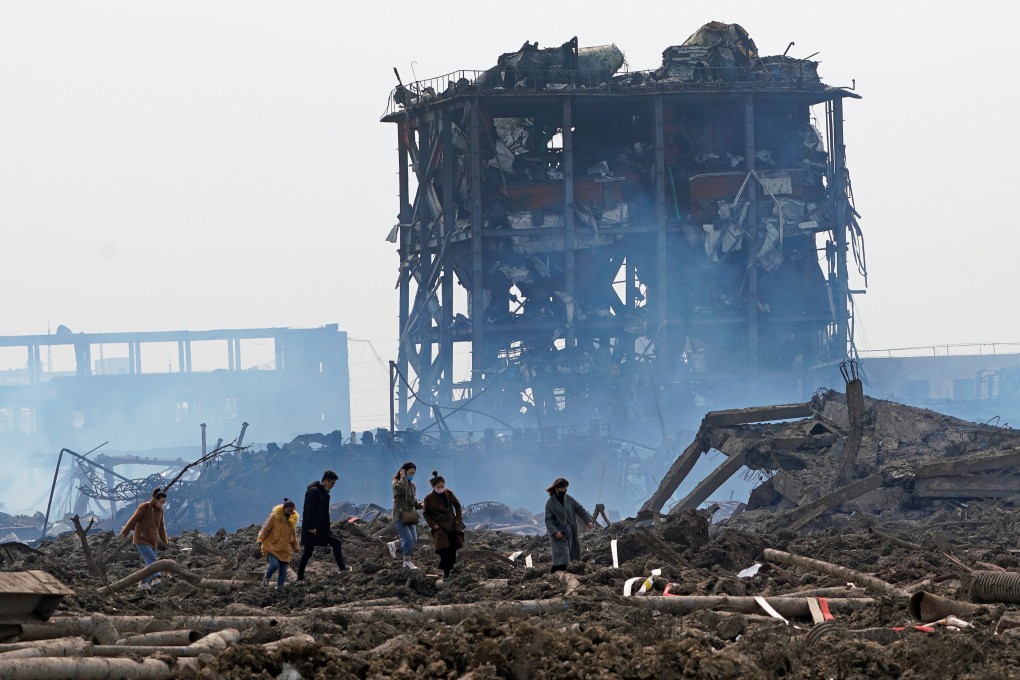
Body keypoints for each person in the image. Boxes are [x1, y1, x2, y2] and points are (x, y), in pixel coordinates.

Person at [297, 470, 347, 580]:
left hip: (323, 528)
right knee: (308, 553)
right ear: (325, 481)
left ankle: (342, 569)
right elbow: (308, 510)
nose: (333, 486)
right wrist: (311, 527)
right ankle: (300, 577)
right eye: (332, 483)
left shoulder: (324, 493)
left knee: (336, 542)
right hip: (312, 528)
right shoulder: (313, 492)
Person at [120, 487, 169, 590]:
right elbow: (133, 520)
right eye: (161, 502)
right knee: (151, 559)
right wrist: (125, 532)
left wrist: (165, 541)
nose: (162, 504)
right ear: (155, 499)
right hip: (141, 539)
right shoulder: (144, 507)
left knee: (150, 563)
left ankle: (143, 583)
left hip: (152, 541)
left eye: (163, 503)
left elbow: (161, 527)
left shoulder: (160, 511)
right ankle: (156, 576)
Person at [544, 477, 594, 573]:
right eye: (562, 489)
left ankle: (573, 572)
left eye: (565, 489)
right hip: (558, 533)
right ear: (556, 488)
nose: (564, 491)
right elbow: (548, 520)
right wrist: (554, 532)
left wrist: (588, 521)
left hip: (571, 531)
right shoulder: (550, 503)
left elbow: (580, 509)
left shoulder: (569, 499)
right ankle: (559, 573)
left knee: (573, 556)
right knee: (562, 556)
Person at [422, 470, 465, 578]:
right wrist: (433, 525)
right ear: (433, 487)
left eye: (443, 487)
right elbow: (426, 514)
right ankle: (446, 572)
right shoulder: (428, 498)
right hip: (440, 528)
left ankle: (450, 570)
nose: (441, 489)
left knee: (453, 547)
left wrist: (457, 519)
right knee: (443, 550)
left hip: (451, 525)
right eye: (438, 487)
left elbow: (458, 506)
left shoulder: (449, 493)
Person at [257, 498, 300, 589]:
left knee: (283, 571)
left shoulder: (291, 523)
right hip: (271, 548)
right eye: (289, 511)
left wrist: (296, 547)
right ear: (284, 509)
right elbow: (265, 529)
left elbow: (293, 537)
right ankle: (267, 577)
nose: (290, 513)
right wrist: (260, 539)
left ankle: (279, 588)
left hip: (285, 551)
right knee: (275, 565)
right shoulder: (274, 517)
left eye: (292, 511)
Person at [391, 461, 422, 569]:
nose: (412, 475)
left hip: (410, 515)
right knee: (408, 540)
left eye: (413, 473)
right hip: (400, 515)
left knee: (413, 539)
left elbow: (412, 500)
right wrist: (403, 477)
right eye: (410, 473)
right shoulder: (396, 482)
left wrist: (419, 504)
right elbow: (401, 489)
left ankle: (394, 544)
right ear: (403, 471)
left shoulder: (413, 485)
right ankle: (406, 562)